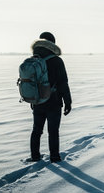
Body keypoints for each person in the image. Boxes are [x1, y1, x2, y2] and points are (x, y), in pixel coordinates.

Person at [30, 32, 72, 163]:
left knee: (36, 130)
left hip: (37, 101)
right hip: (54, 101)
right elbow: (63, 83)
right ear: (52, 44)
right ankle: (54, 157)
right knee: (53, 131)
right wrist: (68, 102)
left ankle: (35, 156)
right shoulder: (56, 60)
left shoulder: (34, 59)